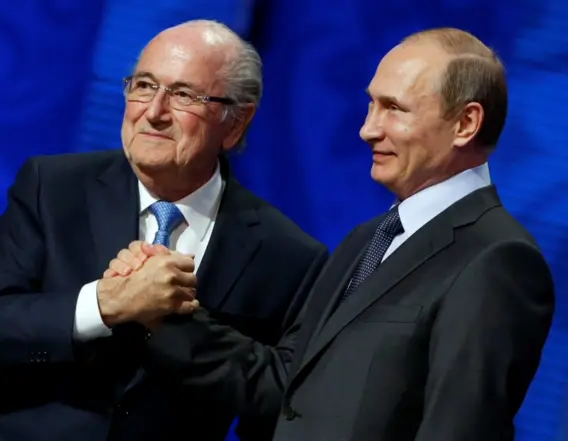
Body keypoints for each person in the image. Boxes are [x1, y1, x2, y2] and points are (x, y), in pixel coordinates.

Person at [110, 28, 555, 441]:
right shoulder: (368, 238)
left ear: (466, 124)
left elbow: (459, 429)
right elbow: (286, 384)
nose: (368, 129)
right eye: (371, 105)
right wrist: (162, 311)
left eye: (394, 109)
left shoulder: (496, 259)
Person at [0, 20, 328, 441]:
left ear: (235, 123)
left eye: (183, 95)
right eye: (144, 85)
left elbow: (278, 401)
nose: (153, 112)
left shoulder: (287, 254)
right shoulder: (51, 188)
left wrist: (171, 317)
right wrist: (106, 303)